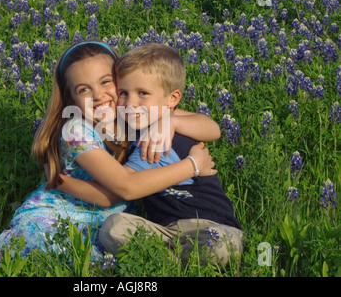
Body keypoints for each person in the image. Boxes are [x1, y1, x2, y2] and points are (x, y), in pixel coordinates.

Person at [0, 41, 218, 259]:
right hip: (59, 215)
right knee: (64, 254)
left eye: (106, 82)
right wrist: (192, 166)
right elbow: (123, 188)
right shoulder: (76, 130)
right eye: (84, 89)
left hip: (109, 220)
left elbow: (212, 128)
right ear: (71, 98)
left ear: (121, 80)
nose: (98, 95)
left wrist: (171, 122)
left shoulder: (132, 113)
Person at [99, 43, 243, 265]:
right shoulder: (153, 121)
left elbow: (121, 186)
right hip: (165, 232)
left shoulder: (156, 141)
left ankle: (163, 262)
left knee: (220, 245)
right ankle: (175, 262)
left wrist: (66, 180)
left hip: (211, 227)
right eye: (123, 93)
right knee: (114, 227)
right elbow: (212, 127)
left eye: (143, 93)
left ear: (172, 99)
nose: (130, 103)